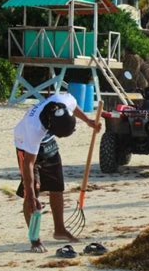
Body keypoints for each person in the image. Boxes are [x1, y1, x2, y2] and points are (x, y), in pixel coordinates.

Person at [14, 93, 101, 253]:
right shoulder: (34, 130)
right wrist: (31, 194)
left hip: (48, 143)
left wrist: (88, 121)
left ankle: (59, 230)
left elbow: (74, 107)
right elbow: (28, 163)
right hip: (25, 146)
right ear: (51, 128)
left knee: (57, 186)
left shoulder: (64, 101)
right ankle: (34, 239)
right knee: (32, 193)